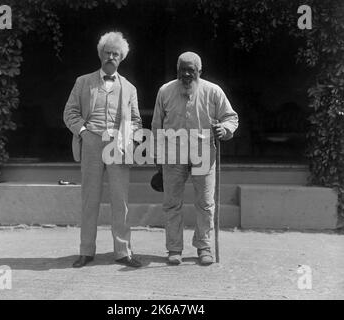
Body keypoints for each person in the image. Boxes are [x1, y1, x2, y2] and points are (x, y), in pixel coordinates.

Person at [64, 31, 142, 268]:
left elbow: (137, 120)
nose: (111, 57)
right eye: (107, 52)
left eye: (115, 54)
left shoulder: (129, 88)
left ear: (121, 58)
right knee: (90, 199)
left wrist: (133, 140)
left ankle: (122, 251)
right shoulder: (83, 82)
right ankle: (86, 250)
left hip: (118, 145)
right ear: (100, 55)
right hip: (91, 142)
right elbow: (70, 113)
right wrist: (84, 133)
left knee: (121, 200)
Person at [151, 52, 238, 265]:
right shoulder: (165, 91)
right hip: (173, 152)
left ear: (200, 71)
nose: (187, 74)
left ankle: (204, 247)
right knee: (172, 204)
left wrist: (224, 129)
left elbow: (231, 117)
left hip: (204, 153)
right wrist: (157, 156)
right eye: (183, 69)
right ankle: (174, 249)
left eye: (192, 70)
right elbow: (156, 125)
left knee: (206, 203)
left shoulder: (213, 91)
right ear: (177, 70)